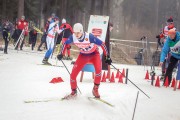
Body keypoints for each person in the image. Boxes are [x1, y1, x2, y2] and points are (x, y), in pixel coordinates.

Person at [57, 23, 112, 99]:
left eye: (78, 33)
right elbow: (65, 43)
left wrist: (107, 56)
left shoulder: (89, 36)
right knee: (73, 75)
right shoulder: (73, 37)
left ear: (82, 31)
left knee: (98, 71)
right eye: (75, 32)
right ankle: (73, 92)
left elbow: (102, 44)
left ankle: (95, 90)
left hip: (94, 55)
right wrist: (61, 54)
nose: (76, 34)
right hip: (83, 56)